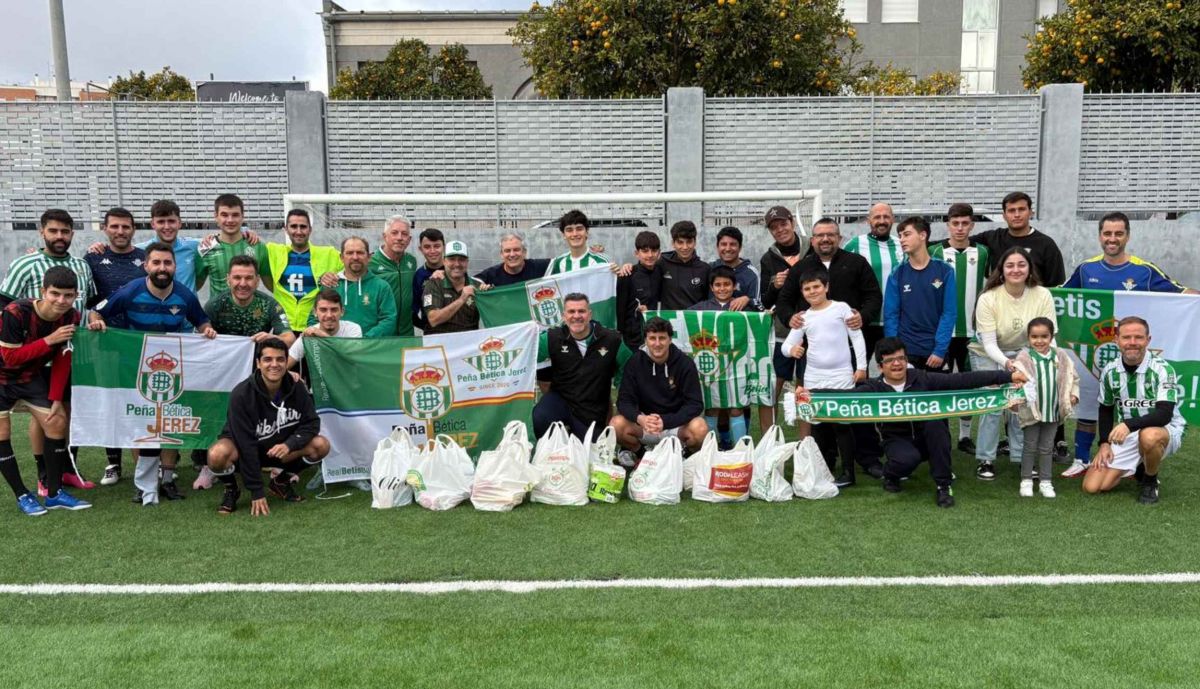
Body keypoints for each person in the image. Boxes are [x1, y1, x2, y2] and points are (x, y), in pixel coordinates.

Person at [795, 337, 1027, 508]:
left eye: (901, 359)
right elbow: (843, 397)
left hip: (928, 437)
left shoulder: (922, 379)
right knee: (906, 460)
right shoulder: (873, 388)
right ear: (880, 365)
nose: (897, 364)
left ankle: (943, 486)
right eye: (890, 361)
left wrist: (1008, 377)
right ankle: (891, 476)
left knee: (936, 424)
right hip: (897, 441)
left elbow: (963, 379)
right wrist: (810, 393)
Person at [1060, 211, 1198, 478]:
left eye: (1118, 233)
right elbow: (1061, 293)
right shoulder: (1086, 269)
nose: (1112, 239)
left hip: (1128, 347)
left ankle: (1138, 458)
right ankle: (1081, 457)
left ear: (1127, 236)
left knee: (1126, 402)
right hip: (1092, 346)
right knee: (1090, 401)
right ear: (1100, 236)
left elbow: (1179, 291)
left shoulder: (1144, 270)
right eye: (1107, 233)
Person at [90, 242, 217, 505]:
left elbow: (201, 320)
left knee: (169, 422)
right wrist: (96, 321)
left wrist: (206, 329)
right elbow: (96, 311)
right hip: (135, 367)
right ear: (146, 265)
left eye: (167, 263)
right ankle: (142, 483)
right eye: (156, 263)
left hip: (174, 367)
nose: (162, 268)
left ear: (174, 266)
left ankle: (168, 480)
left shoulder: (185, 295)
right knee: (142, 423)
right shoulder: (130, 291)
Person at [0, 209, 96, 493]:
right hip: (21, 355)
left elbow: (87, 304)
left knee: (62, 411)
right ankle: (42, 476)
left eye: (65, 231)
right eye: (53, 231)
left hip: (63, 347)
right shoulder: (24, 265)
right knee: (35, 419)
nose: (59, 236)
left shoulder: (81, 267)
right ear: (42, 231)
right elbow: (5, 305)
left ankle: (65, 471)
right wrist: (42, 337)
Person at [775, 217, 881, 472]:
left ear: (839, 237)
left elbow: (873, 296)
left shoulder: (856, 263)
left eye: (830, 234)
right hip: (814, 355)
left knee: (854, 410)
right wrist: (791, 317)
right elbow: (784, 301)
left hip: (850, 355)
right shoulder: (801, 268)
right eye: (820, 235)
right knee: (820, 414)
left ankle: (867, 460)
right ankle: (825, 462)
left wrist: (862, 317)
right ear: (812, 240)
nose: (825, 239)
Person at [206, 337, 330, 516]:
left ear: (287, 362)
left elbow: (311, 423)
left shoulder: (297, 387)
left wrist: (290, 444)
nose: (274, 364)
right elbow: (245, 444)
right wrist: (257, 491)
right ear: (258, 363)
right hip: (245, 450)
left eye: (280, 359)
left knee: (321, 445)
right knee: (216, 455)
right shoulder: (241, 394)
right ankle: (231, 489)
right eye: (268, 359)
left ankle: (281, 482)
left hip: (280, 450)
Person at [0, 267, 89, 515]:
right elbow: (9, 357)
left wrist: (57, 398)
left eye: (68, 295)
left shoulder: (72, 316)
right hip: (2, 375)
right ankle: (22, 495)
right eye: (55, 294)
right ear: (43, 292)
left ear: (75, 295)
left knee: (57, 422)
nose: (61, 301)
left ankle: (54, 493)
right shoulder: (15, 312)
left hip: (30, 377)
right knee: (2, 433)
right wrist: (49, 340)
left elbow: (63, 358)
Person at [967, 246, 1057, 481]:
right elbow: (988, 344)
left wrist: (1039, 361)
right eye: (1010, 265)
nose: (1015, 270)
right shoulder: (988, 298)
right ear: (1002, 270)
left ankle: (1021, 458)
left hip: (1026, 353)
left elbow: (1050, 335)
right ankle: (986, 459)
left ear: (1029, 269)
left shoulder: (1043, 294)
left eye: (1021, 265)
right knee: (994, 405)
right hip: (989, 353)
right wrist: (1009, 364)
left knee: (1021, 402)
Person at [1083, 317, 1185, 505]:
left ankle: (1150, 481)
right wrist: (1104, 443)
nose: (1132, 343)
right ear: (1116, 340)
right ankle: (1140, 465)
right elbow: (1106, 408)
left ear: (1148, 340)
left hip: (1163, 429)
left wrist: (1128, 425)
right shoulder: (1110, 370)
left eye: (1138, 337)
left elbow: (1164, 415)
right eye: (1126, 337)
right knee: (1094, 486)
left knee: (1149, 436)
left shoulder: (1163, 369)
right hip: (1129, 432)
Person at [780, 268, 866, 486]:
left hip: (842, 375)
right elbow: (786, 345)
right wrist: (792, 351)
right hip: (814, 378)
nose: (812, 291)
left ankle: (848, 473)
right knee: (818, 424)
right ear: (802, 292)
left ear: (826, 287)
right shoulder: (803, 318)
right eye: (807, 289)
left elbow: (856, 337)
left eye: (817, 286)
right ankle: (824, 468)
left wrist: (862, 367)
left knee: (842, 424)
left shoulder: (841, 308)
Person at [84, 207, 147, 486]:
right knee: (110, 400)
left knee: (139, 399)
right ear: (105, 229)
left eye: (125, 227)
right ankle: (113, 462)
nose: (120, 231)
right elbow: (85, 296)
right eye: (115, 227)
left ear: (133, 229)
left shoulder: (144, 258)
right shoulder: (93, 258)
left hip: (137, 340)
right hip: (106, 340)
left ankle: (146, 460)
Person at [929, 203, 989, 453]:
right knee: (939, 384)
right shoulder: (935, 251)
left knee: (968, 384)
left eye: (965, 223)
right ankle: (938, 433)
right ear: (948, 225)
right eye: (956, 223)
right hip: (942, 333)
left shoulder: (983, 252)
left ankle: (965, 436)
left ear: (972, 225)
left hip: (972, 334)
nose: (960, 228)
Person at [610, 317, 708, 463]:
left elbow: (695, 404)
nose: (657, 344)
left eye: (662, 338)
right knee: (616, 424)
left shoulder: (684, 363)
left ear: (670, 339)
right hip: (645, 424)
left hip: (675, 425)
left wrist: (666, 421)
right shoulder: (634, 362)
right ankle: (641, 454)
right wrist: (641, 418)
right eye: (652, 338)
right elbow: (624, 401)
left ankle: (683, 456)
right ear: (646, 340)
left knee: (700, 429)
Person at [532, 293, 623, 442]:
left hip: (592, 406)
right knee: (541, 416)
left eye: (581, 311)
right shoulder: (552, 337)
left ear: (589, 314)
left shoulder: (612, 339)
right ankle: (553, 450)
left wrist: (622, 405)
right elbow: (526, 354)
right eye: (571, 311)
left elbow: (628, 369)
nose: (576, 316)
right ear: (564, 316)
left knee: (591, 451)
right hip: (561, 399)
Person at [690, 266, 760, 449]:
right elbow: (678, 319)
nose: (722, 288)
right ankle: (711, 448)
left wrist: (753, 304)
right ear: (711, 287)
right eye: (718, 285)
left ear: (734, 286)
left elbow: (761, 316)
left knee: (737, 407)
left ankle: (740, 449)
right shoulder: (701, 308)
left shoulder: (744, 306)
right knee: (712, 407)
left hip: (737, 366)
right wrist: (647, 313)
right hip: (710, 367)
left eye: (727, 284)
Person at [1013, 317, 1079, 499]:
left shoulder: (1061, 356)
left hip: (1053, 411)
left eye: (1044, 336)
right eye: (1034, 336)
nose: (1039, 341)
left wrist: (1073, 394)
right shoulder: (1024, 358)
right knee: (1029, 446)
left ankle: (1045, 481)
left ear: (1052, 336)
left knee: (1047, 447)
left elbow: (1073, 378)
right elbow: (1016, 378)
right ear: (1028, 337)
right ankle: (1026, 480)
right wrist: (1017, 385)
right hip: (1032, 410)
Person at [883, 217, 956, 371]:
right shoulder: (897, 274)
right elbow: (891, 315)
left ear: (923, 235)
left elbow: (949, 313)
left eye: (907, 234)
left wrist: (940, 350)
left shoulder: (945, 270)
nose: (902, 239)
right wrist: (896, 353)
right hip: (907, 353)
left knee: (937, 395)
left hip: (935, 353)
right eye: (900, 235)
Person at [259, 209, 341, 336]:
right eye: (293, 226)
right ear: (286, 229)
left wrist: (334, 278)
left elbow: (355, 263)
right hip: (284, 327)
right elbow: (249, 249)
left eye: (303, 227)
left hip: (315, 327)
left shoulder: (329, 254)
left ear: (310, 229)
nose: (298, 231)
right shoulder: (273, 251)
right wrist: (245, 232)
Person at [759, 205, 806, 428]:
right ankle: (769, 442)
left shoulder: (812, 247)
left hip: (812, 329)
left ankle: (807, 443)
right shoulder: (768, 258)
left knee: (805, 388)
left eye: (783, 224)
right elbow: (765, 301)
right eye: (774, 227)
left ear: (792, 223)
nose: (780, 230)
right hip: (782, 332)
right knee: (772, 388)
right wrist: (774, 285)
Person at [843, 203, 904, 361]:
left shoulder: (902, 244)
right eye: (877, 217)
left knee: (893, 367)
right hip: (864, 321)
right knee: (859, 368)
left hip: (896, 321)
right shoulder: (855, 245)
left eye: (886, 217)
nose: (881, 221)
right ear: (868, 220)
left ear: (893, 219)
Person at [973, 191, 1066, 287]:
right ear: (1004, 216)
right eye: (1011, 210)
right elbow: (961, 244)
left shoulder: (1046, 245)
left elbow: (1056, 287)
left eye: (1021, 209)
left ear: (1030, 213)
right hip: (999, 301)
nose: (1017, 215)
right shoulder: (992, 238)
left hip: (1033, 301)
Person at [321, 237, 397, 338]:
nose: (355, 257)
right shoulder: (331, 284)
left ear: (369, 257)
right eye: (350, 253)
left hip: (368, 349)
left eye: (360, 253)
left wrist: (362, 341)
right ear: (341, 258)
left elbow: (389, 320)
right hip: (334, 348)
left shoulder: (381, 286)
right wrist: (326, 338)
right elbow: (315, 317)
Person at [196, 194, 267, 298]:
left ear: (243, 216)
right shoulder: (205, 248)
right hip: (218, 313)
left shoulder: (257, 246)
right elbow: (195, 286)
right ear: (216, 217)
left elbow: (271, 285)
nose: (230, 220)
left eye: (235, 215)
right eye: (224, 215)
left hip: (251, 313)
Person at [287, 289, 363, 370]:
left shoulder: (353, 329)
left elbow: (352, 358)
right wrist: (290, 374)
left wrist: (323, 336)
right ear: (315, 312)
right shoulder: (309, 334)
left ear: (342, 311)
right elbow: (286, 364)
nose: (329, 315)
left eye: (334, 310)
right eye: (323, 310)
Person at [368, 215, 418, 336]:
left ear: (409, 239)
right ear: (384, 236)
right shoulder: (370, 262)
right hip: (380, 335)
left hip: (407, 334)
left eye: (404, 234)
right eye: (394, 233)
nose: (399, 238)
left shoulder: (411, 261)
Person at [422, 240, 481, 335]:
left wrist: (488, 292)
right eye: (452, 259)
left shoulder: (477, 286)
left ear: (467, 262)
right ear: (444, 261)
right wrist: (462, 299)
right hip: (439, 343)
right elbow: (433, 319)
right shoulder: (433, 284)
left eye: (461, 259)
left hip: (469, 344)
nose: (457, 264)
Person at [659, 221, 710, 310]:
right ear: (673, 243)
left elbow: (710, 300)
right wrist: (628, 267)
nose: (685, 247)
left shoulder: (705, 269)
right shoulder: (661, 263)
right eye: (680, 242)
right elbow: (643, 270)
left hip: (694, 321)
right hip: (668, 322)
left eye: (689, 242)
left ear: (695, 242)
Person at [711, 226, 762, 311]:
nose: (727, 249)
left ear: (740, 247)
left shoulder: (751, 274)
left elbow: (759, 307)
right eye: (723, 244)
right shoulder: (710, 268)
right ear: (717, 247)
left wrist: (747, 300)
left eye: (733, 244)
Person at [475, 232, 552, 287]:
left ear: (524, 252)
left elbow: (560, 263)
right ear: (501, 254)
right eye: (507, 251)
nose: (512, 254)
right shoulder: (491, 275)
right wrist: (482, 288)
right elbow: (471, 285)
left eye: (516, 250)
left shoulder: (539, 267)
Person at [546, 210, 609, 275]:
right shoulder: (558, 263)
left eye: (579, 229)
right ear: (564, 235)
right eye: (569, 230)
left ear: (587, 232)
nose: (575, 234)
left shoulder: (600, 262)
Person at [412, 228, 445, 330]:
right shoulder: (419, 275)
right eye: (427, 247)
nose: (432, 251)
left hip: (457, 333)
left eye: (437, 246)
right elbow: (413, 310)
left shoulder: (455, 270)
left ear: (444, 246)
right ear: (420, 249)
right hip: (432, 336)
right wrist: (426, 327)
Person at [630, 230, 663, 313]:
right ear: (637, 253)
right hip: (638, 324)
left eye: (654, 251)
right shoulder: (629, 275)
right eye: (645, 251)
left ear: (659, 253)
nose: (650, 255)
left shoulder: (663, 271)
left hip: (658, 323)